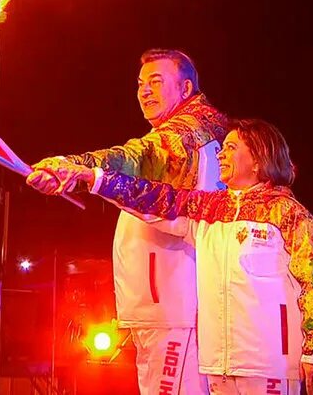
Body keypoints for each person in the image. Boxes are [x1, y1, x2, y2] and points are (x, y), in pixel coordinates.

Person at [46, 119, 313, 395]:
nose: (222, 153)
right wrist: (93, 178)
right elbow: (152, 197)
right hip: (218, 365)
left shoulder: (288, 213)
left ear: (259, 159)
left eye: (232, 147)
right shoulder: (208, 209)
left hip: (269, 367)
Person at [27, 49, 228, 395]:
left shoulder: (189, 135)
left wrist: (77, 167)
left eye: (156, 81)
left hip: (177, 310)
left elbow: (136, 158)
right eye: (140, 84)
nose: (144, 91)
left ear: (185, 88)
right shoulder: (182, 134)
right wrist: (74, 174)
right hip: (160, 309)